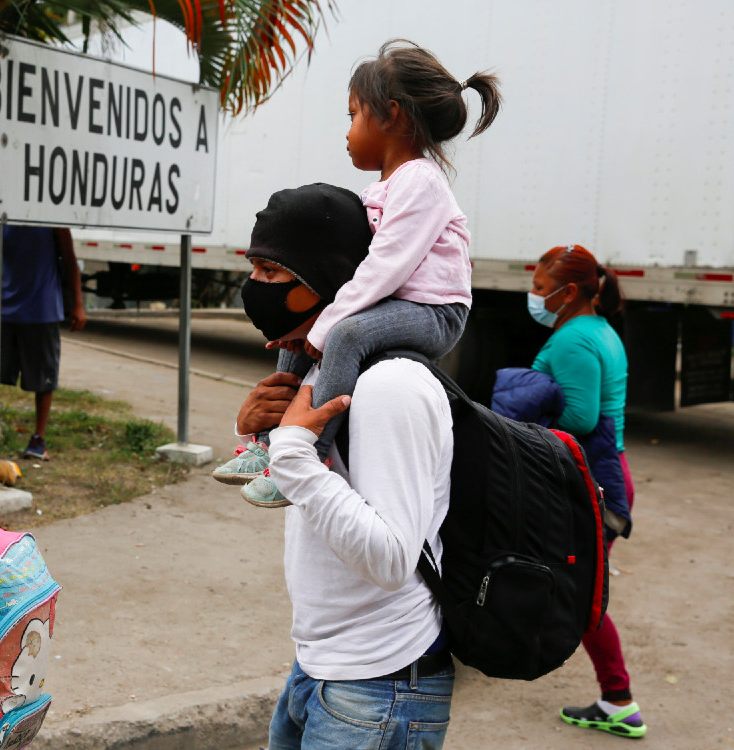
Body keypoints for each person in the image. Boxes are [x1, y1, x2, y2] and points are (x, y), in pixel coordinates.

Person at [218, 39, 501, 508]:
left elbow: (386, 266)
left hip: (433, 311)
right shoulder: (383, 187)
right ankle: (267, 442)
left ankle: (307, 455)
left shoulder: (421, 181)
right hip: (398, 303)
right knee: (303, 330)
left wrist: (328, 324)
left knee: (343, 334)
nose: (347, 131)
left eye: (353, 115)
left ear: (391, 115)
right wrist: (309, 327)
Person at [234, 184, 456, 749]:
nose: (253, 289)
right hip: (319, 664)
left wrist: (290, 451)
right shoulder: (322, 367)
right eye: (252, 269)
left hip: (380, 683)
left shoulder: (389, 386)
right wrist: (259, 434)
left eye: (272, 274)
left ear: (325, 280)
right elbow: (316, 498)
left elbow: (389, 559)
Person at [525, 245, 646, 739]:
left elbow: (580, 417)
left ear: (568, 291)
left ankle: (618, 700)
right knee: (568, 584)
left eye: (538, 288)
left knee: (582, 597)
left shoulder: (575, 339)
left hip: (593, 481)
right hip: (602, 473)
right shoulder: (597, 329)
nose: (533, 297)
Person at [0, 225, 86, 461]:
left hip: (42, 310)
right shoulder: (1, 215)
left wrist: (78, 303)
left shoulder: (50, 218)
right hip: (4, 310)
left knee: (44, 378)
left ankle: (38, 439)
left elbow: (70, 259)